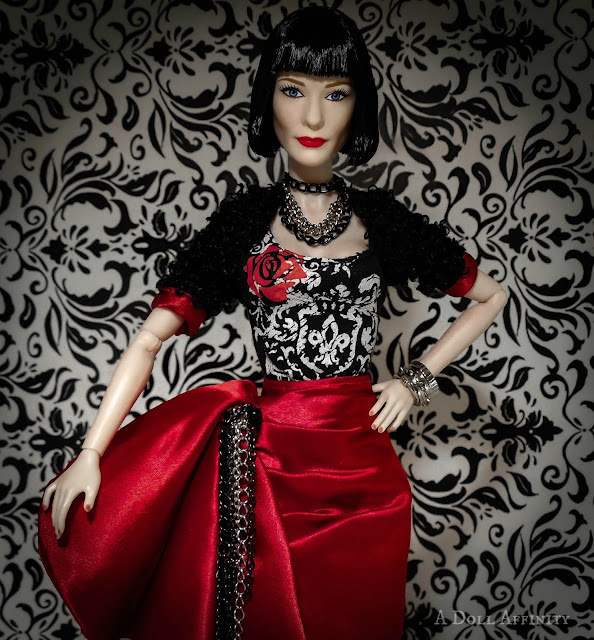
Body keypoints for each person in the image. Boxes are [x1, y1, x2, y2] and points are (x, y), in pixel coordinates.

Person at [37, 6, 508, 640]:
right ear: (269, 100)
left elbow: (491, 297)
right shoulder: (243, 223)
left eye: (334, 94)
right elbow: (149, 337)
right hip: (272, 464)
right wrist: (93, 452)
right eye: (293, 90)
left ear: (357, 107)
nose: (312, 118)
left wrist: (414, 380)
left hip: (366, 470)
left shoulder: (383, 220)